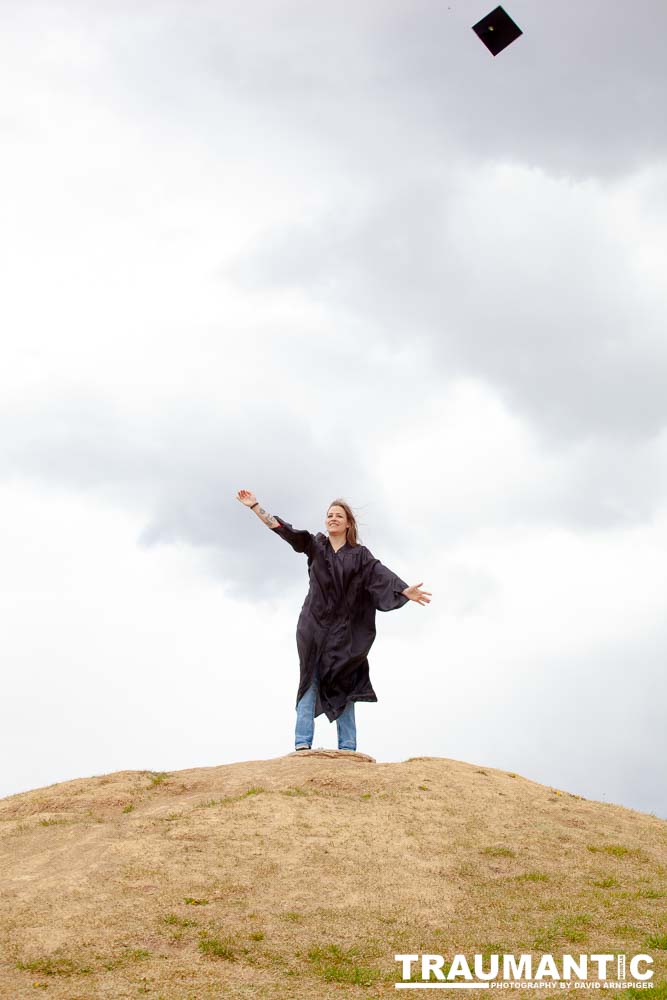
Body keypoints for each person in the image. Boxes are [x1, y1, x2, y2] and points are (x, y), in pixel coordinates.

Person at [236, 489, 431, 753]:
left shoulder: (360, 555)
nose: (333, 519)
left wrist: (404, 590)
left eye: (339, 516)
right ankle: (302, 744)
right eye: (329, 515)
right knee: (309, 679)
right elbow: (284, 530)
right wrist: (255, 506)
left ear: (348, 523)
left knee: (346, 681)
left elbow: (380, 576)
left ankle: (348, 749)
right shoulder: (315, 545)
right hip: (314, 627)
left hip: (345, 633)